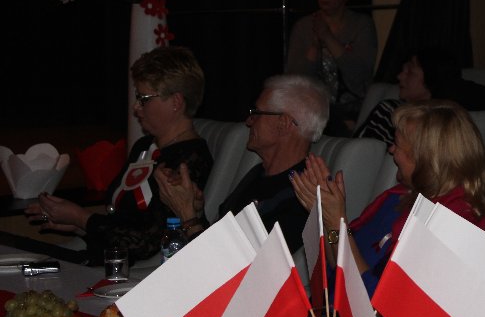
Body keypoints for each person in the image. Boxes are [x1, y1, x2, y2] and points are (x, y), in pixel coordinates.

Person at [26, 46, 213, 264]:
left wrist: (81, 218)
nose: (136, 107)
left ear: (176, 102)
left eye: (143, 98)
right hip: (109, 262)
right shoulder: (144, 146)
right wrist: (77, 225)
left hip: (135, 274)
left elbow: (147, 243)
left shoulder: (190, 160)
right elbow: (124, 224)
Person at [292, 100, 485, 297]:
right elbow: (336, 267)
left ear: (425, 159)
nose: (391, 150)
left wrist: (337, 223)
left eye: (397, 144)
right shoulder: (397, 199)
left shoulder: (452, 225)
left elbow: (377, 304)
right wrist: (326, 219)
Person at [156, 74, 329, 252]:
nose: (248, 121)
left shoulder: (304, 194)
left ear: (283, 123)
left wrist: (188, 216)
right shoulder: (259, 174)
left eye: (256, 113)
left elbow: (233, 265)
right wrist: (194, 210)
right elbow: (220, 243)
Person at [285, 0, 377, 134]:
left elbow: (360, 76)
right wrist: (314, 46)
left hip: (352, 112)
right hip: (312, 111)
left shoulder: (361, 25)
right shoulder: (304, 27)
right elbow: (295, 80)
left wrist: (328, 37)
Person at [353, 48, 464, 143]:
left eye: (410, 72)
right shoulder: (389, 111)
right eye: (403, 70)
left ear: (432, 78)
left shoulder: (390, 111)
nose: (400, 76)